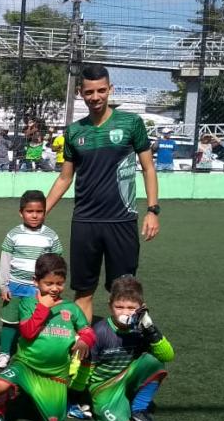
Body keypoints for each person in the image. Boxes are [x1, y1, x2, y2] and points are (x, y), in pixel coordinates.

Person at [45, 63, 160, 322]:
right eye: (89, 92)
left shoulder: (131, 123)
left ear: (110, 89)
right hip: (85, 221)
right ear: (80, 93)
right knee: (83, 291)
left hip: (122, 221)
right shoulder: (74, 131)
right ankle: (83, 347)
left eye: (101, 91)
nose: (95, 97)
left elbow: (148, 168)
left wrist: (153, 210)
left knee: (125, 293)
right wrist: (43, 210)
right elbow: (65, 177)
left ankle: (124, 349)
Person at [0, 253, 95, 421]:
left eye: (59, 283)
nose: (54, 288)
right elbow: (28, 332)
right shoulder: (28, 303)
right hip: (26, 365)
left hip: (55, 375)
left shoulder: (71, 308)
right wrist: (43, 307)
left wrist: (85, 339)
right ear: (36, 281)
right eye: (49, 283)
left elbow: (88, 331)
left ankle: (29, 393)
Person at [82, 275, 174, 421]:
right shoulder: (99, 331)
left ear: (141, 308)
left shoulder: (143, 329)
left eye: (131, 308)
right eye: (119, 307)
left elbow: (167, 356)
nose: (125, 312)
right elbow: (87, 369)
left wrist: (150, 328)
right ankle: (117, 403)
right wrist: (81, 395)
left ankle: (140, 409)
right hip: (104, 386)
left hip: (128, 377)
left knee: (154, 361)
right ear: (110, 306)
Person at [0, 190, 63, 370]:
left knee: (35, 321)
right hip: (15, 286)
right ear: (21, 213)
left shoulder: (51, 236)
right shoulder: (13, 235)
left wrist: (51, 287)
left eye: (39, 211)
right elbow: (5, 262)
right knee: (10, 321)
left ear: (45, 211)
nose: (34, 215)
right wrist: (4, 285)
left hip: (38, 290)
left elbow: (56, 264)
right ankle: (4, 353)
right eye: (29, 211)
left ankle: (31, 352)